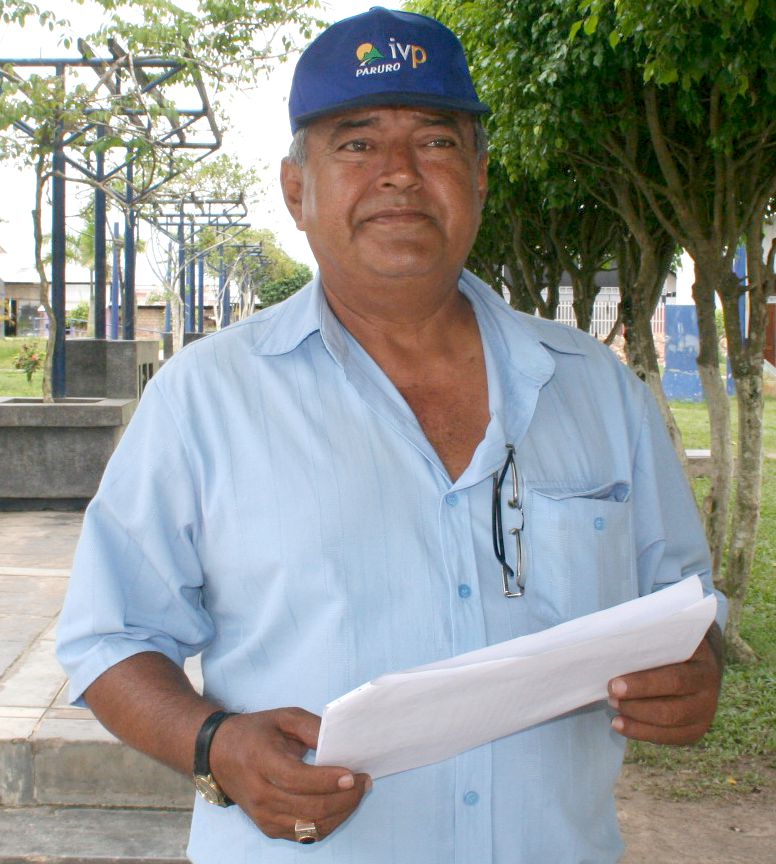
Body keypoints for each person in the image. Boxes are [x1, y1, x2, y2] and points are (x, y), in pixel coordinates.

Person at [57, 7, 725, 862]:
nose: (401, 175)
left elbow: (680, 603)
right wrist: (213, 744)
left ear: (481, 176)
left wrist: (694, 673)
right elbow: (109, 637)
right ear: (297, 189)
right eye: (356, 143)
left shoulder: (594, 388)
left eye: (437, 142)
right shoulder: (205, 399)